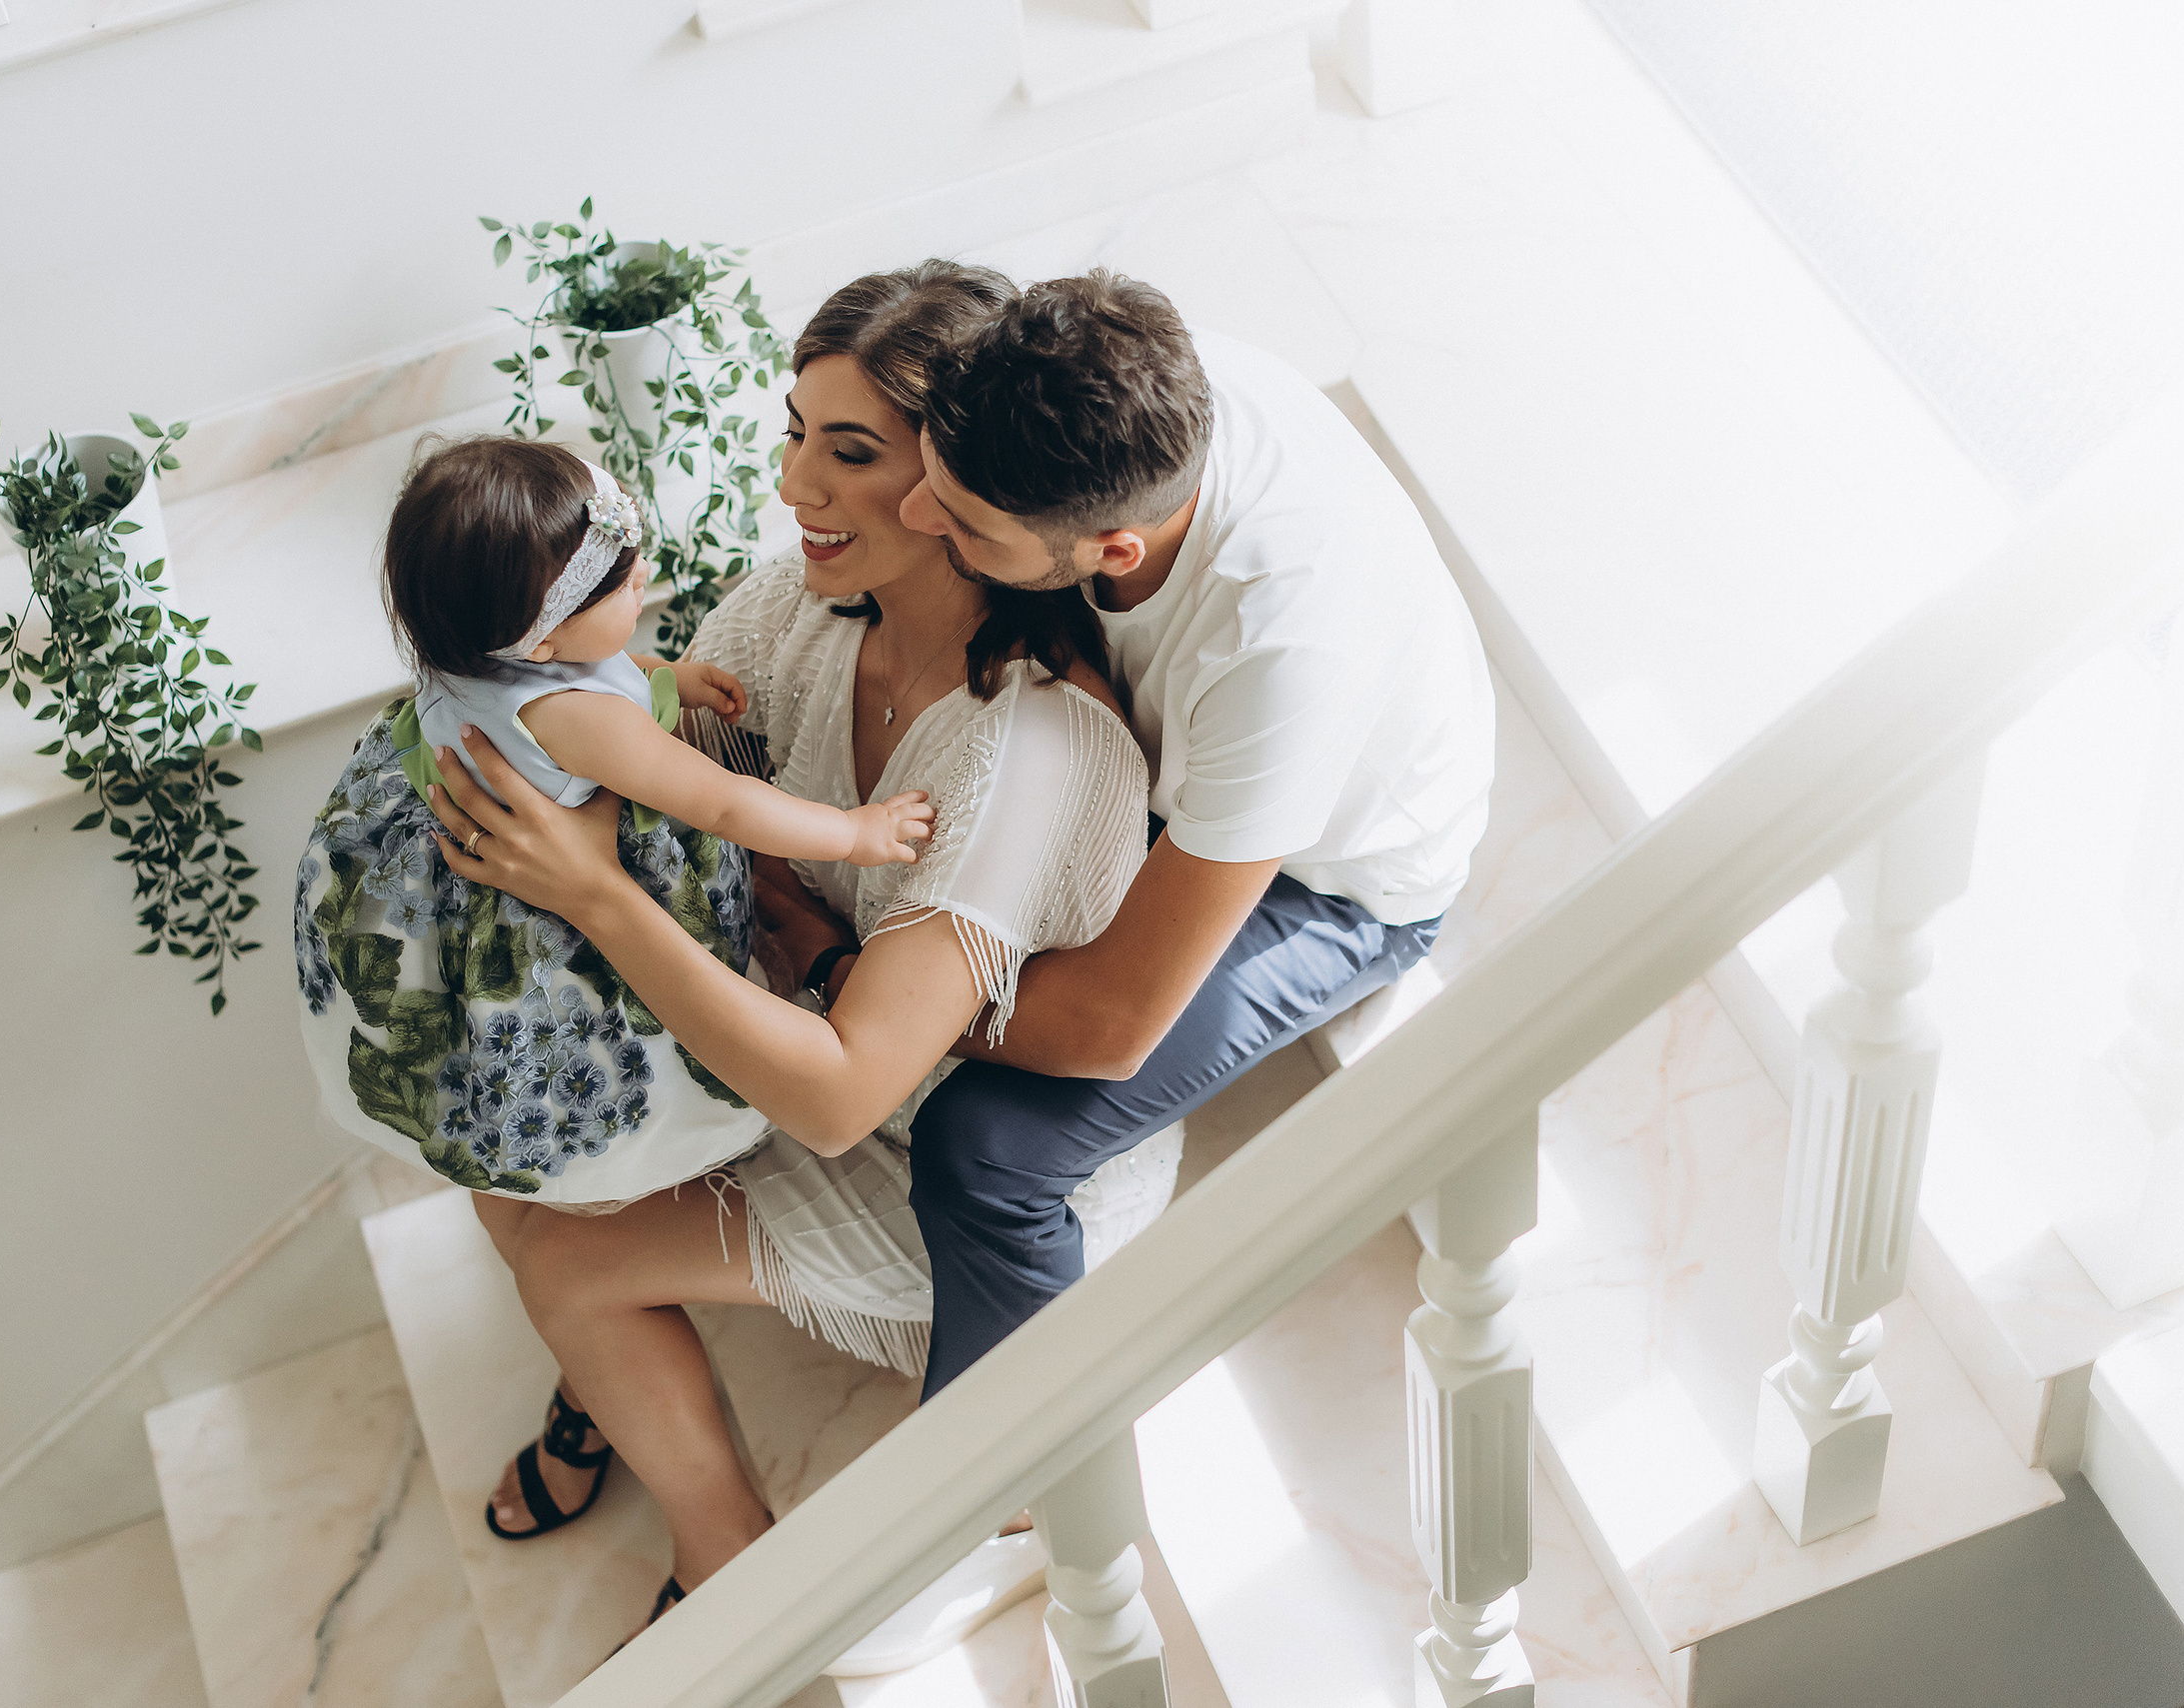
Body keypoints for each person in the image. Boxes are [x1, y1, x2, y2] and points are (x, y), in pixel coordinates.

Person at [424, 265, 1173, 1644]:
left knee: (569, 1262)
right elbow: (673, 790)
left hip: (942, 1154)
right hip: (818, 1040)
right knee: (494, 1162)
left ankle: (730, 1569)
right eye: (794, 435)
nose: (793, 488)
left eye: (850, 453)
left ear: (952, 485)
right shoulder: (799, 613)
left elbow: (843, 1093)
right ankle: (608, 1379)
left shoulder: (1023, 752)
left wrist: (600, 895)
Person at [801, 268, 1499, 1395]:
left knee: (986, 1147)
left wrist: (835, 971)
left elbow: (1111, 1025)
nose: (918, 516)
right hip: (1190, 764)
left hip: (1335, 878)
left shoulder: (1285, 653)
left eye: (963, 521)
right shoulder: (1102, 380)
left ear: (1113, 551)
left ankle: (1011, 1454)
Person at [293, 439, 936, 1212]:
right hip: (554, 916)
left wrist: (668, 679)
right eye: (619, 584)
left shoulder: (481, 647)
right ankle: (632, 1166)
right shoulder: (577, 719)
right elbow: (724, 802)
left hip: (444, 859)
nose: (642, 576)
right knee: (627, 1033)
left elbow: (598, 666)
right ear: (542, 640)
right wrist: (854, 833)